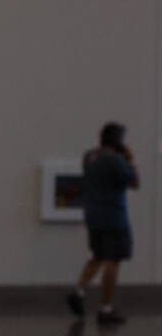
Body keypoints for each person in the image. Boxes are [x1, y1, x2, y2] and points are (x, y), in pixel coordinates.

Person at [67, 122, 138, 325]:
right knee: (113, 260)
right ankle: (105, 309)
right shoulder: (115, 160)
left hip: (93, 216)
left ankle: (79, 291)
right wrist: (130, 159)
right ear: (118, 140)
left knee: (97, 256)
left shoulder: (89, 157)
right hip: (114, 216)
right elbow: (134, 182)